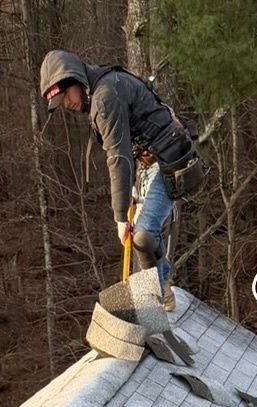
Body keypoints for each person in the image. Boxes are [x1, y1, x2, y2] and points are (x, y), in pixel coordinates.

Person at [39, 51, 199, 283]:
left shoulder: (105, 97)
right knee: (142, 238)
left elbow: (118, 156)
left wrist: (120, 216)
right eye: (61, 102)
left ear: (75, 80)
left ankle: (160, 292)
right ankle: (160, 289)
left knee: (142, 237)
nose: (67, 104)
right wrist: (131, 189)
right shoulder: (102, 85)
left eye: (65, 96)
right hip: (149, 162)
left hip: (168, 161)